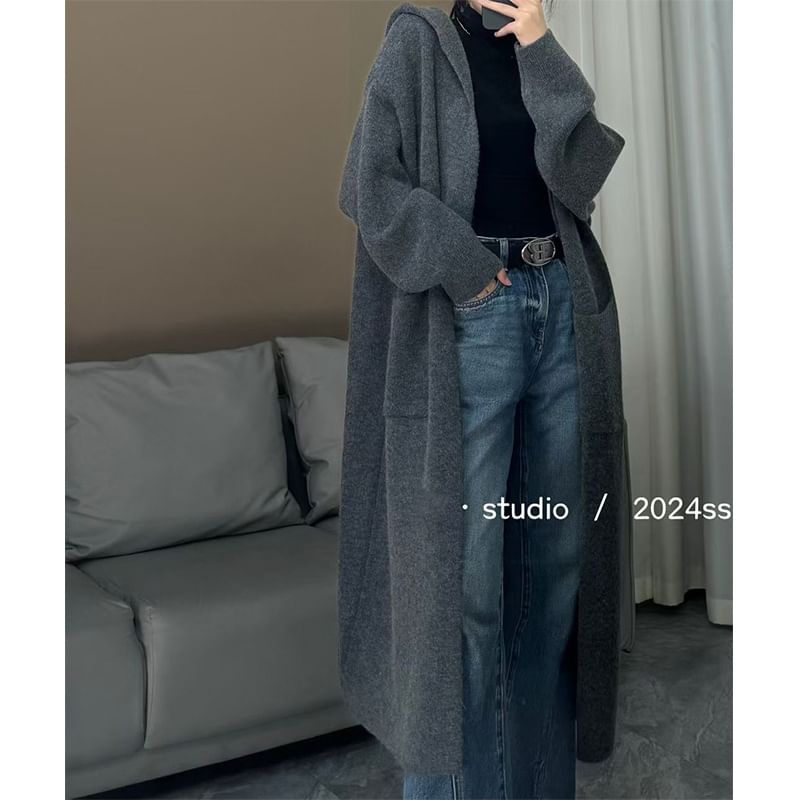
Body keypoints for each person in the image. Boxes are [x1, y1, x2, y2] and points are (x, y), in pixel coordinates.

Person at [336, 2, 629, 799]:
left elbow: (583, 174)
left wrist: (540, 46)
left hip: (560, 308)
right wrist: (464, 269)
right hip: (474, 316)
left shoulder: (539, 51)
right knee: (461, 592)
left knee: (554, 572)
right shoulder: (418, 43)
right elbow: (369, 182)